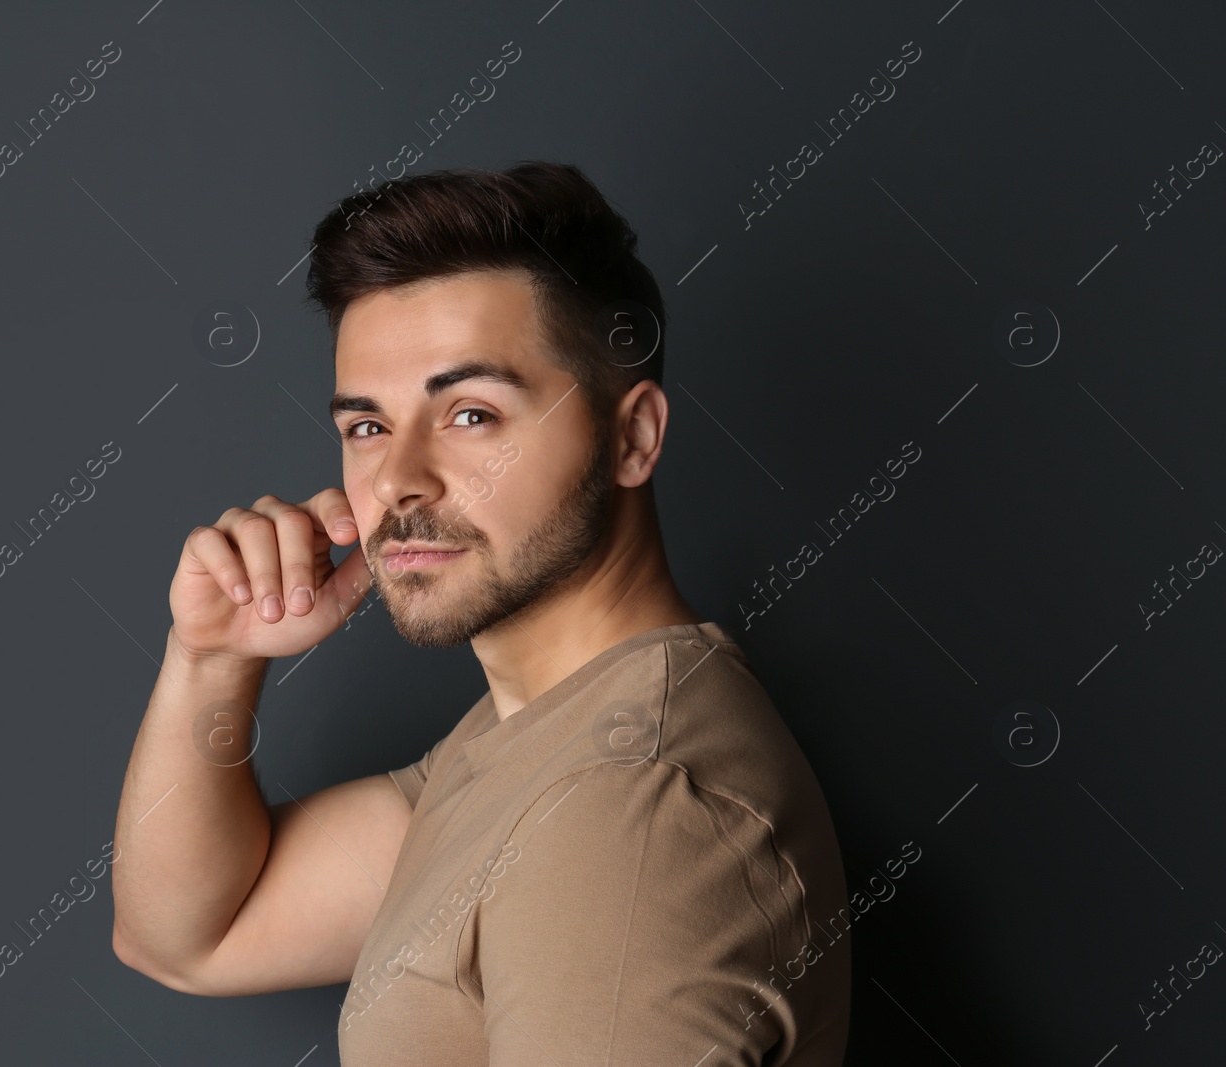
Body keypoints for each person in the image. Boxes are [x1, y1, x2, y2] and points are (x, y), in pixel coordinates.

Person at [110, 160, 851, 1065]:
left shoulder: (630, 810)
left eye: (470, 414)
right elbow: (190, 936)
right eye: (367, 427)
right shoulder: (522, 738)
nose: (397, 481)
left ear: (632, 435)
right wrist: (213, 657)